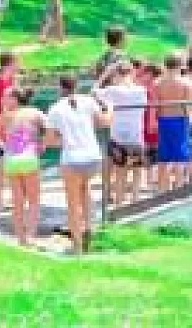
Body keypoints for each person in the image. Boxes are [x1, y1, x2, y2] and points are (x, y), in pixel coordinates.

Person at [45, 76, 111, 253]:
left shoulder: (55, 109)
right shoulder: (88, 101)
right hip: (93, 156)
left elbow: (50, 141)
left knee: (73, 203)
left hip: (73, 159)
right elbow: (105, 122)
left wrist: (65, 140)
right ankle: (89, 230)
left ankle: (77, 245)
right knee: (85, 190)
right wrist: (111, 109)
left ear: (60, 88)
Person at [0, 86, 47, 247]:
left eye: (6, 97)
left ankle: (21, 240)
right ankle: (31, 236)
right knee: (33, 201)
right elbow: (48, 129)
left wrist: (5, 146)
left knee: (17, 202)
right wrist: (41, 144)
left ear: (15, 99)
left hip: (11, 160)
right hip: (29, 158)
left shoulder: (5, 116)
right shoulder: (34, 112)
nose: (2, 100)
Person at [95, 62, 147, 205]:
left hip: (117, 137)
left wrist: (105, 73)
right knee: (136, 172)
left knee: (120, 173)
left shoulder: (113, 90)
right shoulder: (141, 90)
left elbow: (93, 92)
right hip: (136, 136)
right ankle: (135, 203)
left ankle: (119, 204)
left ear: (117, 74)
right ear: (131, 73)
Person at [155, 52, 192, 191]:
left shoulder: (158, 83)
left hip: (163, 120)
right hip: (180, 120)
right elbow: (188, 106)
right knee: (180, 157)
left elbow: (156, 104)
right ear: (180, 65)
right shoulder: (186, 83)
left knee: (164, 157)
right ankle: (179, 188)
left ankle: (162, 190)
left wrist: (154, 122)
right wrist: (191, 124)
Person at [0, 50, 18, 215]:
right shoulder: (0, 82)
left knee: (11, 164)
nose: (19, 65)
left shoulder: (10, 81)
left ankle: (8, 198)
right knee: (0, 165)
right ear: (10, 63)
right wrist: (4, 129)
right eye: (17, 62)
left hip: (9, 125)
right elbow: (2, 108)